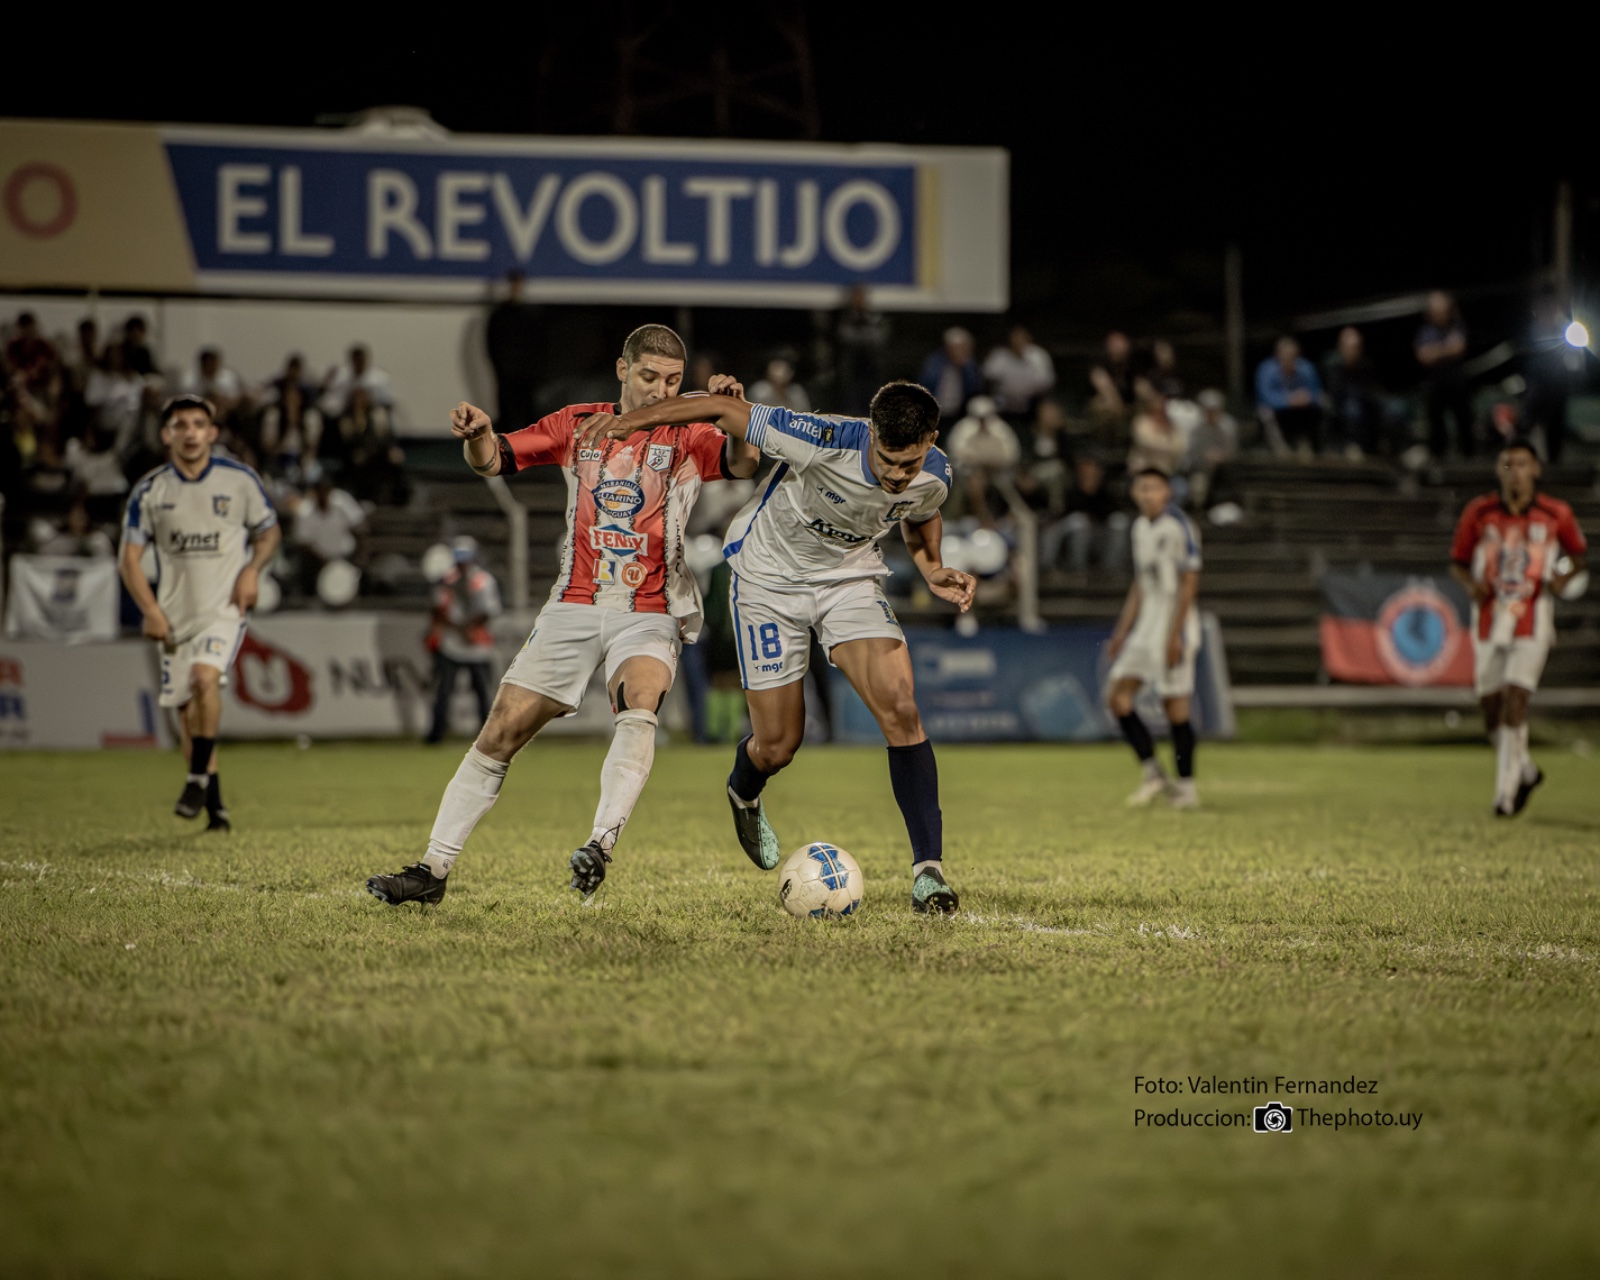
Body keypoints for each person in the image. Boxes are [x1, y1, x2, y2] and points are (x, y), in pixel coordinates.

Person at [365, 325, 760, 908]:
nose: (661, 390)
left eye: (673, 381)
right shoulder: (578, 424)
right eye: (650, 377)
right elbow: (495, 459)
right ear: (623, 371)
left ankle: (599, 845)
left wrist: (734, 407)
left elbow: (744, 462)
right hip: (574, 603)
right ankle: (433, 868)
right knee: (500, 732)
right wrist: (477, 436)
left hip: (649, 608)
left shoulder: (691, 432)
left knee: (641, 702)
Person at [585, 380, 977, 915]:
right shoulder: (822, 437)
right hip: (768, 581)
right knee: (777, 746)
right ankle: (743, 791)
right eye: (886, 460)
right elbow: (722, 408)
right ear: (871, 434)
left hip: (848, 582)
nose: (895, 476)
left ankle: (928, 871)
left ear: (931, 441)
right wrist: (634, 421)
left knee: (902, 708)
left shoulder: (934, 475)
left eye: (908, 464)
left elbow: (921, 510)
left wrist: (932, 568)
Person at [118, 395, 280, 832]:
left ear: (212, 433)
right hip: (173, 616)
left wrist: (251, 571)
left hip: (223, 609)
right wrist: (150, 611)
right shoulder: (151, 492)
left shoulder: (239, 481)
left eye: (197, 424)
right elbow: (129, 559)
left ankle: (193, 779)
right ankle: (215, 808)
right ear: (166, 434)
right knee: (187, 712)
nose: (190, 432)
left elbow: (268, 532)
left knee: (204, 680)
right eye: (180, 425)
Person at [1448, 438, 1587, 816]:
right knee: (1491, 707)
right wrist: (1470, 585)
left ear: (1536, 470)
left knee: (1515, 697)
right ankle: (1524, 769)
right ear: (1499, 470)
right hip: (1490, 619)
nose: (1516, 473)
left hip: (1533, 615)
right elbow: (1458, 561)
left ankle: (1504, 795)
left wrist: (1561, 579)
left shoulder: (1555, 513)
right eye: (1508, 465)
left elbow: (1577, 556)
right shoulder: (1480, 513)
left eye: (1522, 465)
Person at [1106, 468, 1202, 809]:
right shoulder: (1139, 528)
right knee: (1117, 698)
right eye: (1142, 488)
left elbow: (1189, 582)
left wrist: (1175, 635)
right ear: (1134, 493)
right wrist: (1122, 632)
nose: (1147, 494)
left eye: (1154, 488)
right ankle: (1154, 773)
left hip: (1173, 625)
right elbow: (1140, 585)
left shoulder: (1179, 527)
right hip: (1146, 626)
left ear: (1167, 492)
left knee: (1175, 707)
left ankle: (1187, 788)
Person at [426, 537, 503, 744]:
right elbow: (438, 610)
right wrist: (460, 630)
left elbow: (489, 611)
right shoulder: (446, 580)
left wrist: (469, 629)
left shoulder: (483, 580)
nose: (462, 563)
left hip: (477, 645)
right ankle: (435, 735)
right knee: (443, 692)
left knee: (483, 694)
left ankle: (487, 738)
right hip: (451, 644)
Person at [291, 468, 368, 596]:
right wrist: (324, 559)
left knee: (360, 576)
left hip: (346, 555)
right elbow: (303, 542)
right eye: (319, 490)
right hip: (319, 559)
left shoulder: (342, 501)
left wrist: (361, 553)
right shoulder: (305, 510)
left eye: (326, 490)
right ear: (314, 491)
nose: (323, 494)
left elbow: (360, 525)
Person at [1415, 291, 1474, 458]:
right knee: (1436, 424)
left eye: (1444, 309)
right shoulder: (1425, 330)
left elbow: (1459, 348)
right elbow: (1423, 356)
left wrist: (1436, 351)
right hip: (1435, 384)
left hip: (1457, 382)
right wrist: (1447, 348)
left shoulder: (1458, 325)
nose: (1441, 314)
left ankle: (1468, 457)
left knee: (1464, 421)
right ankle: (1438, 458)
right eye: (1437, 311)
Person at [487, 271, 543, 432]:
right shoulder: (499, 314)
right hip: (507, 370)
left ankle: (529, 441)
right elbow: (492, 342)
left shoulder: (532, 314)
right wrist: (500, 366)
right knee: (506, 407)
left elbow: (538, 343)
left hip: (526, 370)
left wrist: (534, 367)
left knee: (527, 406)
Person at [1255, 336, 1324, 457]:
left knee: (1323, 404)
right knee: (1264, 412)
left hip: (1302, 410)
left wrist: (1308, 397)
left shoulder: (1306, 368)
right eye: (1285, 354)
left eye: (1292, 355)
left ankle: (1309, 447)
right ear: (1278, 354)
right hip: (1278, 411)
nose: (1289, 358)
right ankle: (1281, 450)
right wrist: (1288, 400)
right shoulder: (1266, 369)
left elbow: (1316, 392)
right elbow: (1264, 397)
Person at [1322, 327, 1384, 458]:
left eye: (1358, 346)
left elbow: (1372, 389)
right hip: (1341, 402)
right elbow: (1334, 392)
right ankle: (1352, 444)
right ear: (1341, 347)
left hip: (1362, 399)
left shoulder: (1365, 364)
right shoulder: (1332, 364)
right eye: (1351, 347)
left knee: (1388, 408)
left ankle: (1378, 447)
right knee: (1353, 409)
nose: (1355, 350)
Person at [834, 285, 888, 416]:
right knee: (851, 411)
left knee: (872, 408)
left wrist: (862, 336)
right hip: (852, 372)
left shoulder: (874, 316)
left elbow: (879, 338)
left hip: (872, 370)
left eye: (861, 297)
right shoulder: (845, 316)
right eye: (856, 297)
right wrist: (864, 337)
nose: (859, 300)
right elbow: (844, 336)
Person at [982, 324, 1055, 419]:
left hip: (1031, 400)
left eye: (1022, 339)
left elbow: (1047, 382)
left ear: (1028, 339)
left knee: (1044, 405)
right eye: (1015, 339)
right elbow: (987, 376)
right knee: (995, 400)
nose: (1018, 343)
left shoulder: (1038, 355)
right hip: (1004, 400)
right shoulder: (999, 356)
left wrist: (1025, 388)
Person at [1184, 390, 1238, 509]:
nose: (1211, 413)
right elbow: (1190, 453)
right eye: (1208, 409)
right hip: (1199, 468)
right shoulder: (1195, 426)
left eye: (1215, 409)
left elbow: (1232, 451)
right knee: (1198, 486)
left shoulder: (1228, 425)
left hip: (1221, 468)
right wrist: (1205, 457)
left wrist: (1221, 456)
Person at [919, 327, 981, 421]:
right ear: (948, 348)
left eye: (966, 349)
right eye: (959, 348)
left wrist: (965, 368)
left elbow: (974, 389)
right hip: (935, 413)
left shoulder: (969, 366)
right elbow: (926, 385)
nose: (963, 352)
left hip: (960, 414)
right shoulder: (935, 363)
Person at [319, 344, 393, 419]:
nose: (358, 363)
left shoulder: (379, 378)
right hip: (346, 412)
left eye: (360, 360)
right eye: (356, 360)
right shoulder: (342, 376)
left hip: (372, 412)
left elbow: (387, 401)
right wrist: (327, 380)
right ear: (351, 360)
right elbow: (330, 396)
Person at [1088, 330, 1138, 424]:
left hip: (1130, 406)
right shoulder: (1100, 365)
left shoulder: (1133, 365)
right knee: (1100, 406)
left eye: (1121, 346)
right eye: (1114, 345)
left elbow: (1143, 388)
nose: (1117, 349)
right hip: (1111, 405)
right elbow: (1108, 394)